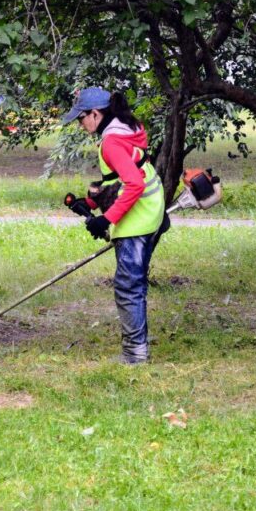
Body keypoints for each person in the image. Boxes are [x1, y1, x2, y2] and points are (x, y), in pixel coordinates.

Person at [62, 87, 165, 364]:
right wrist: (95, 203)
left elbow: (134, 183)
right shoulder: (124, 128)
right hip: (150, 209)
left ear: (96, 114)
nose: (80, 124)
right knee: (133, 284)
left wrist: (106, 220)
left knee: (128, 286)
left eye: (81, 118)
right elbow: (123, 175)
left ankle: (135, 355)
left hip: (139, 217)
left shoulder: (110, 142)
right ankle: (137, 345)